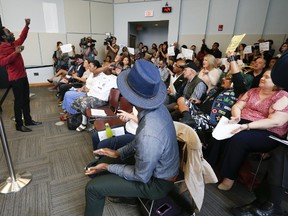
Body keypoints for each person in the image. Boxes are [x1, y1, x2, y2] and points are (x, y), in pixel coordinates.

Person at [84, 59, 179, 216]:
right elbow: (139, 140)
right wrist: (118, 153)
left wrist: (109, 167)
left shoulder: (150, 132)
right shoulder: (156, 109)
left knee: (93, 188)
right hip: (156, 167)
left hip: (156, 183)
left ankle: (115, 189)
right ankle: (119, 190)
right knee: (105, 160)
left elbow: (141, 176)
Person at [208, 69, 288, 191]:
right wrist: (236, 116)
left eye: (267, 77)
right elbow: (237, 105)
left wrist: (247, 126)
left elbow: (275, 121)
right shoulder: (253, 91)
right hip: (242, 122)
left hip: (268, 131)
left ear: (277, 82)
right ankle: (208, 168)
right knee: (220, 133)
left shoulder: (283, 96)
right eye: (263, 76)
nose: (262, 78)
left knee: (238, 139)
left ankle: (229, 178)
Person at [231, 50, 288, 216]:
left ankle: (272, 205)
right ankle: (265, 202)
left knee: (281, 154)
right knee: (281, 153)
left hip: (274, 132)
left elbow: (277, 120)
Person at [0, 18, 42, 132]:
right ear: (3, 36)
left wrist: (26, 25)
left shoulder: (14, 43)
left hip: (23, 76)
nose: (12, 33)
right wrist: (15, 53)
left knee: (26, 100)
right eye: (8, 32)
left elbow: (22, 36)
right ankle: (19, 125)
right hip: (15, 79)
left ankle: (28, 120)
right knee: (18, 102)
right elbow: (2, 62)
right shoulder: (2, 47)